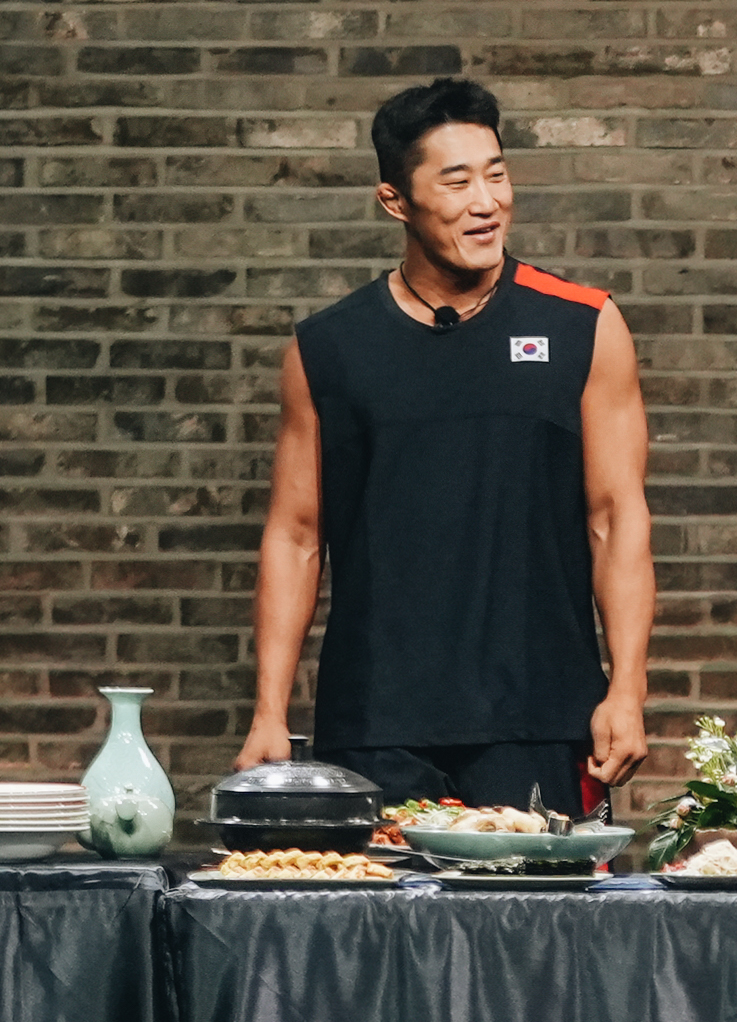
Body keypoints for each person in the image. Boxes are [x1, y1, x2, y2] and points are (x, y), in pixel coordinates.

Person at [243, 78, 653, 817]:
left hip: (539, 714)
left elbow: (616, 518)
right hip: (376, 722)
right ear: (395, 201)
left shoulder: (584, 325)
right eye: (457, 182)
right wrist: (269, 710)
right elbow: (296, 535)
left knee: (537, 930)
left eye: (496, 174)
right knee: (379, 929)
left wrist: (626, 687)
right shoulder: (328, 349)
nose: (487, 201)